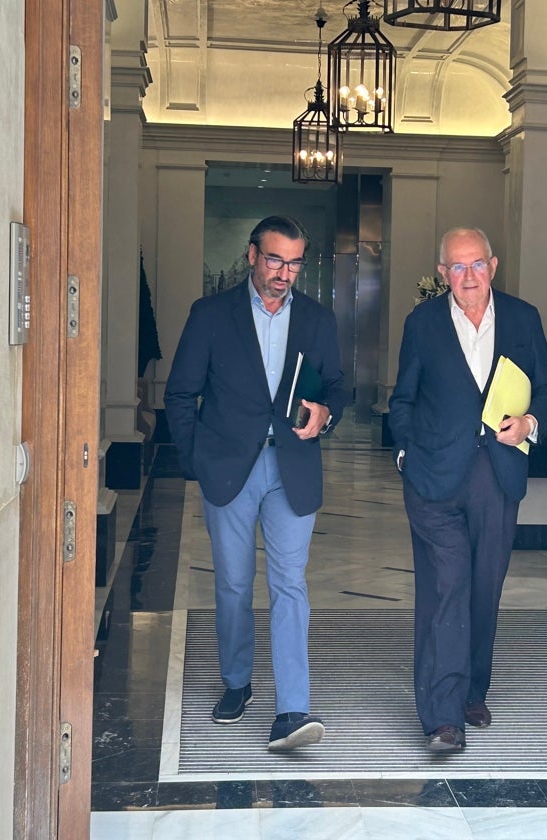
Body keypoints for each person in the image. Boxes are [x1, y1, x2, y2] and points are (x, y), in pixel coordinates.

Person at [165, 215, 348, 751]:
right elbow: (180, 395)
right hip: (228, 470)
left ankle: (293, 708)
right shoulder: (211, 315)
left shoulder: (317, 319)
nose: (283, 273)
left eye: (293, 263)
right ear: (252, 256)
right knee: (234, 585)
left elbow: (338, 387)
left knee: (290, 585)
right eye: (274, 260)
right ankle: (236, 682)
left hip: (293, 467)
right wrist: (196, 460)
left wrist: (325, 414)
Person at [389, 227, 547, 752]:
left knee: (484, 588)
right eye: (456, 268)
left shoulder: (523, 318)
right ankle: (442, 717)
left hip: (498, 475)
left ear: (494, 264)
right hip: (435, 479)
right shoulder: (421, 324)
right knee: (447, 589)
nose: (468, 277)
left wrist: (529, 423)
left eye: (476, 265)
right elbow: (402, 401)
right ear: (442, 274)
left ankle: (471, 690)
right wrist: (407, 456)